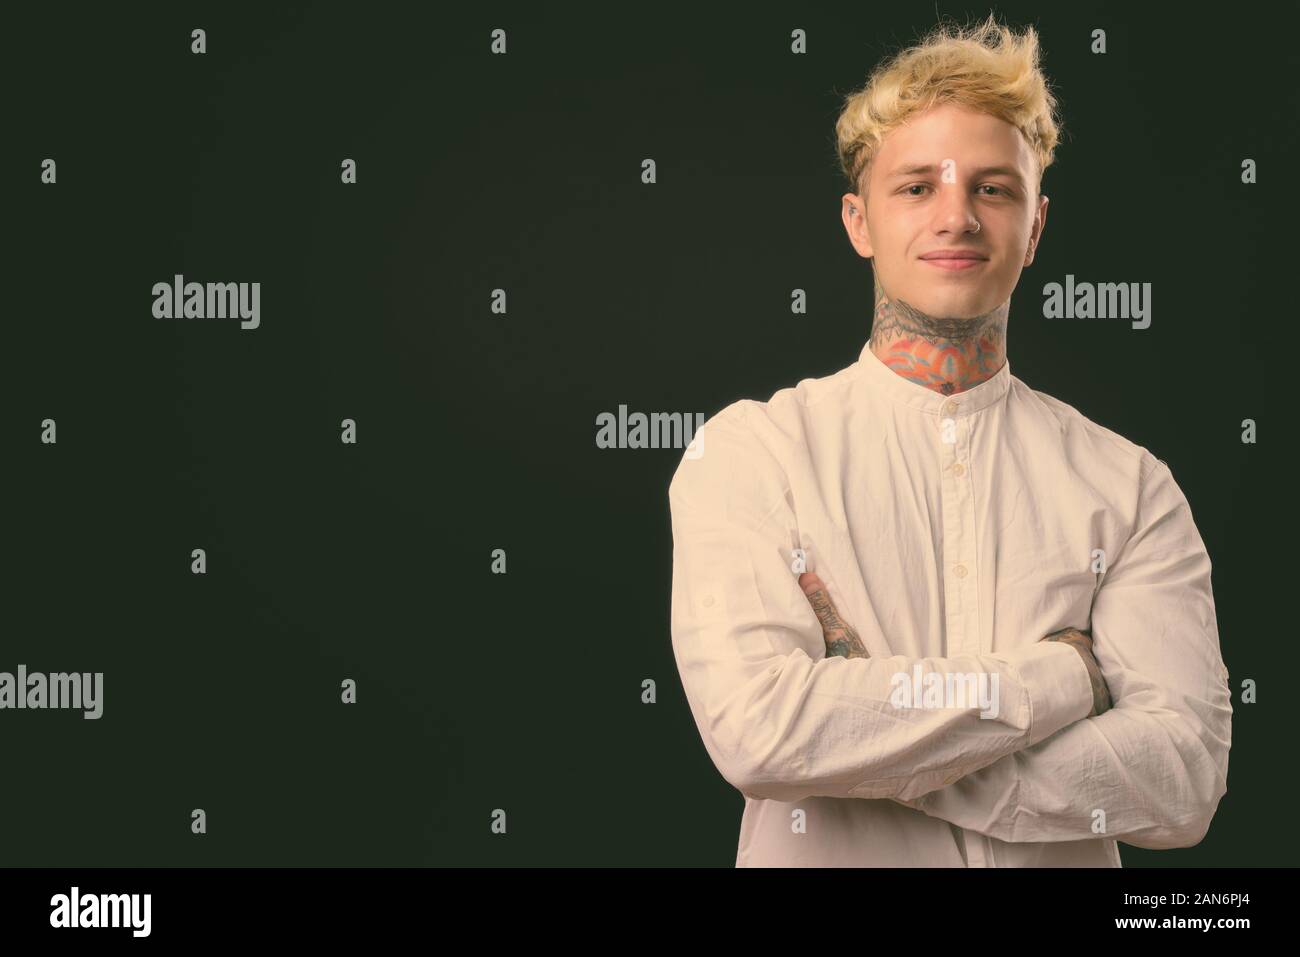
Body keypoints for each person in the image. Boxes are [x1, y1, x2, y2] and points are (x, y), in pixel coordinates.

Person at [667, 13, 1231, 867]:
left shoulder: (1131, 485)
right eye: (918, 185)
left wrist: (872, 746)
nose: (957, 216)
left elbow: (1182, 781)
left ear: (1035, 226)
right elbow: (760, 731)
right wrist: (1065, 680)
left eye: (993, 188)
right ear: (859, 222)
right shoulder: (750, 455)